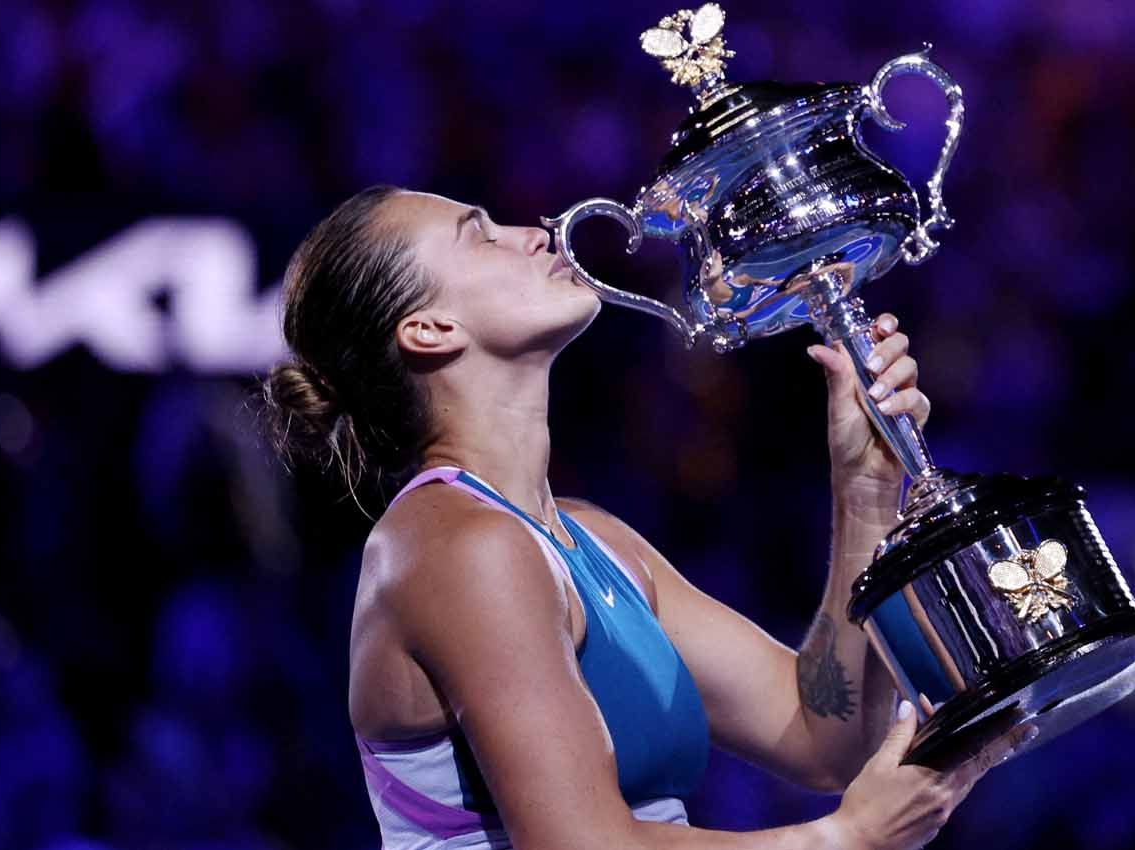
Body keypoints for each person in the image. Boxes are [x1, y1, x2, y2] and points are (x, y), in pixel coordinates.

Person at [258, 185, 1037, 850]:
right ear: (429, 330)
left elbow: (819, 734)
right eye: (482, 236)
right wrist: (841, 838)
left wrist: (865, 493)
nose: (537, 233)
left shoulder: (592, 538)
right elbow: (581, 844)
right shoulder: (455, 547)